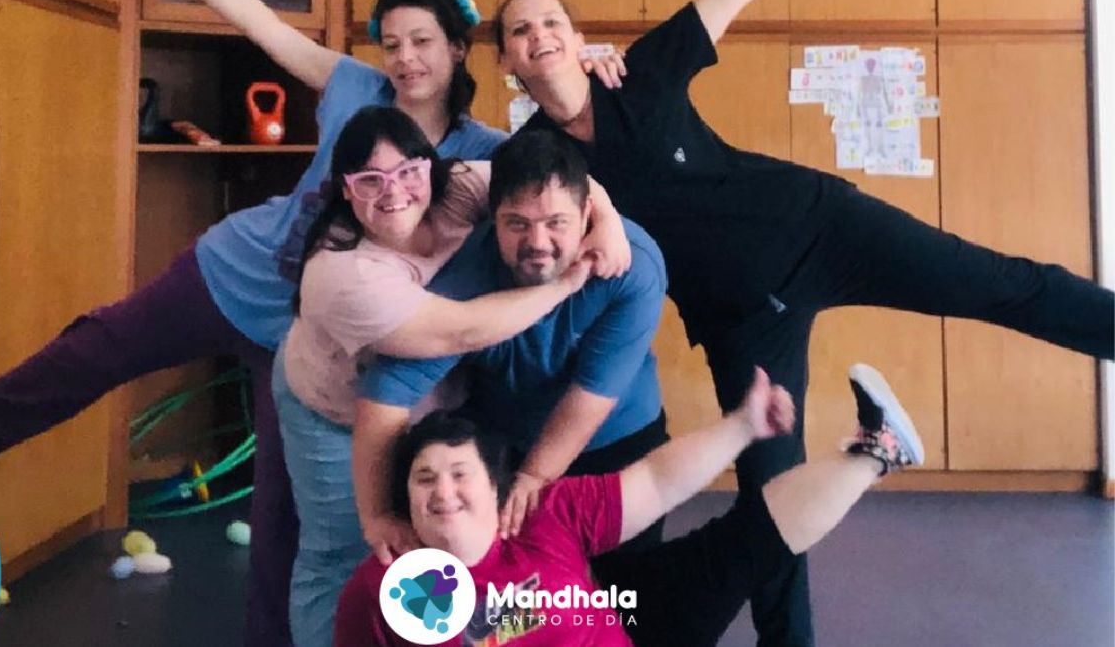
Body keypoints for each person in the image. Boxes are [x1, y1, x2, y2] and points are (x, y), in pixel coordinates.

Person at [490, 0, 1115, 645]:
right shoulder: (539, 161)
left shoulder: (640, 72)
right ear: (504, 59)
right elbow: (485, 191)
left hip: (821, 228)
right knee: (770, 495)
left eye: (551, 22)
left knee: (999, 283)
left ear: (578, 37)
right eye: (520, 31)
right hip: (739, 319)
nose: (539, 36)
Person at [0, 0, 517, 646]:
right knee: (99, 344)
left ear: (458, 47)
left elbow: (561, 181)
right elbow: (267, 27)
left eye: (422, 42)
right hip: (232, 271)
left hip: (307, 346)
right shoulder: (356, 87)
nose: (405, 59)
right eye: (393, 44)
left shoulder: (485, 151)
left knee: (282, 515)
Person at [272, 105, 629, 646]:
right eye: (370, 180)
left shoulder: (458, 186)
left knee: (446, 545)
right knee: (346, 553)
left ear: (430, 168)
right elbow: (461, 331)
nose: (393, 192)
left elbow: (554, 182)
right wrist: (565, 284)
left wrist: (609, 222)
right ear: (346, 190)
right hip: (333, 408)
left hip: (429, 403)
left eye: (407, 172)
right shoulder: (341, 273)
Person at [335, 362, 925, 646]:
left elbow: (657, 482)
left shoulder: (540, 515)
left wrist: (743, 426)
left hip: (627, 622)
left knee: (740, 545)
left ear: (496, 488)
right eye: (424, 479)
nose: (442, 491)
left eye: (459, 474)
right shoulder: (381, 587)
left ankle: (880, 450)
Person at [353, 129, 669, 588]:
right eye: (517, 223)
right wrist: (378, 514)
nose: (538, 242)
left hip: (618, 434)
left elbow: (591, 395)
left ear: (587, 214)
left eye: (556, 223)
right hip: (506, 439)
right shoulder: (464, 279)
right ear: (493, 216)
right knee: (514, 598)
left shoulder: (630, 266)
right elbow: (385, 395)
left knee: (630, 594)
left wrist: (536, 476)